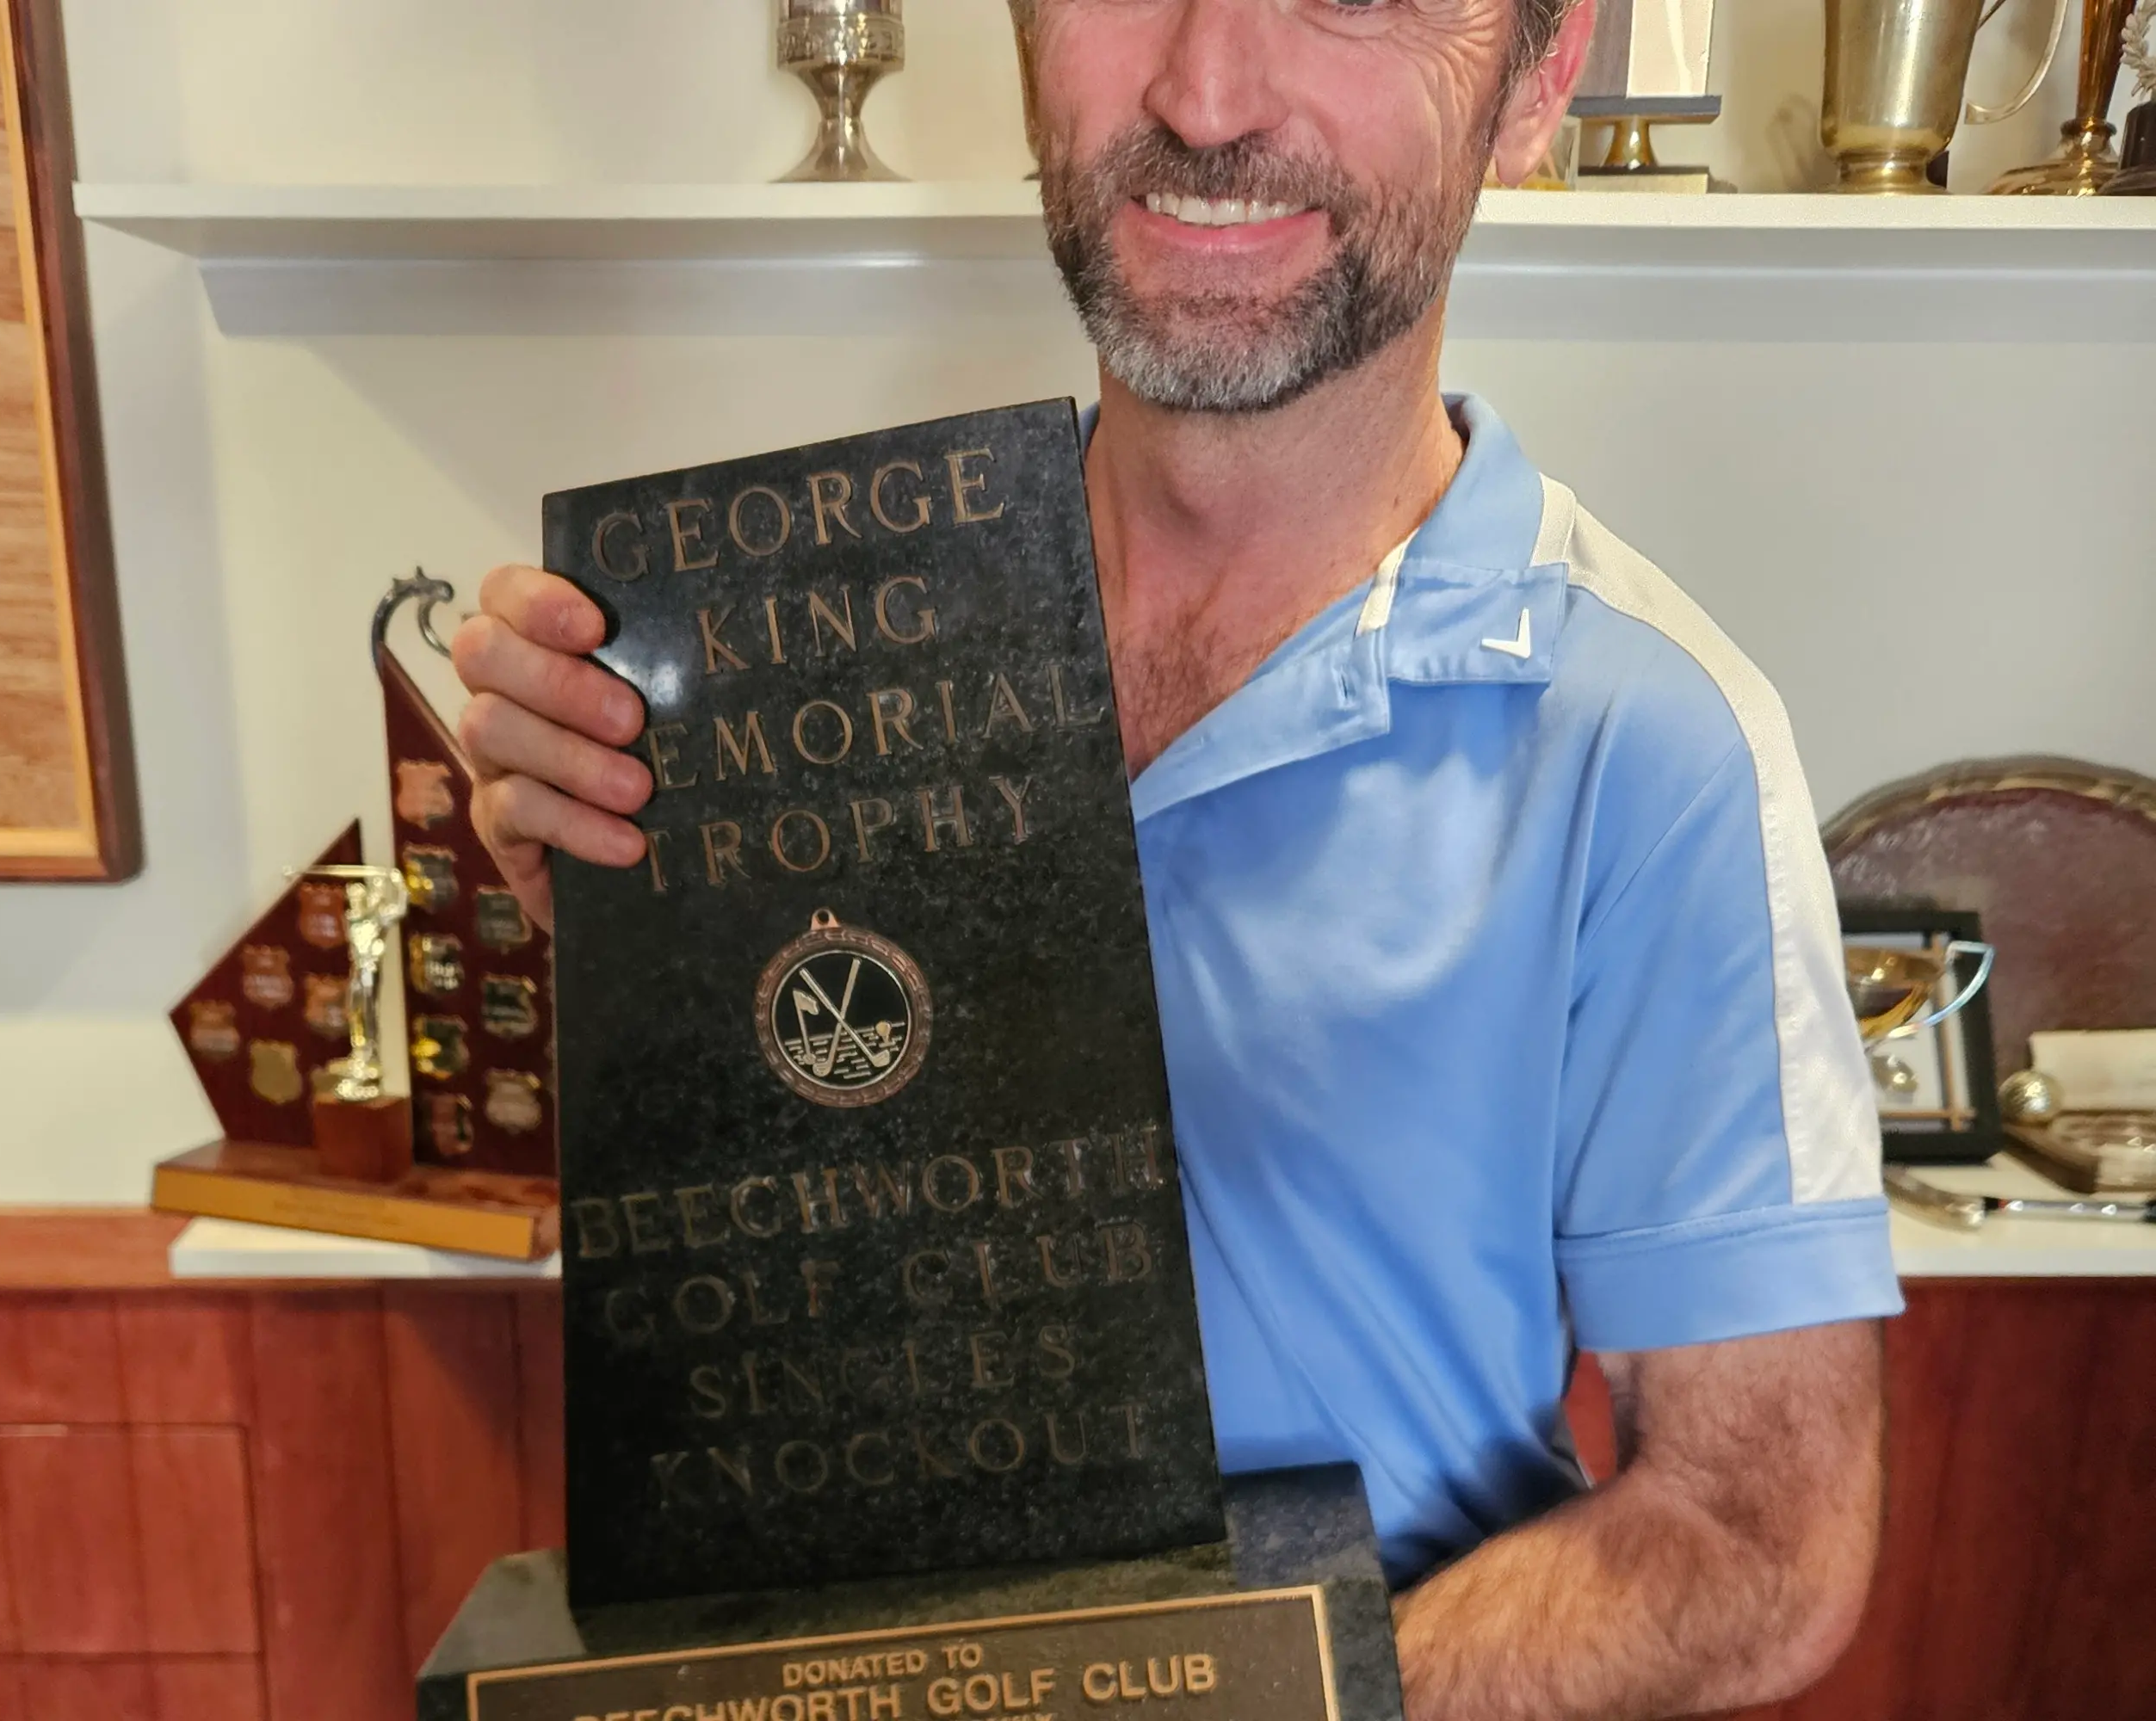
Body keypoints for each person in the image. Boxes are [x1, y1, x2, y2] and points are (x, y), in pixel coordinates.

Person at [449, 1, 1900, 1714]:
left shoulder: (1650, 742)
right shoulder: (798, 661)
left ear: (1541, 79)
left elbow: (1758, 1537)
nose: (1205, 94)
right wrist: (653, 960)